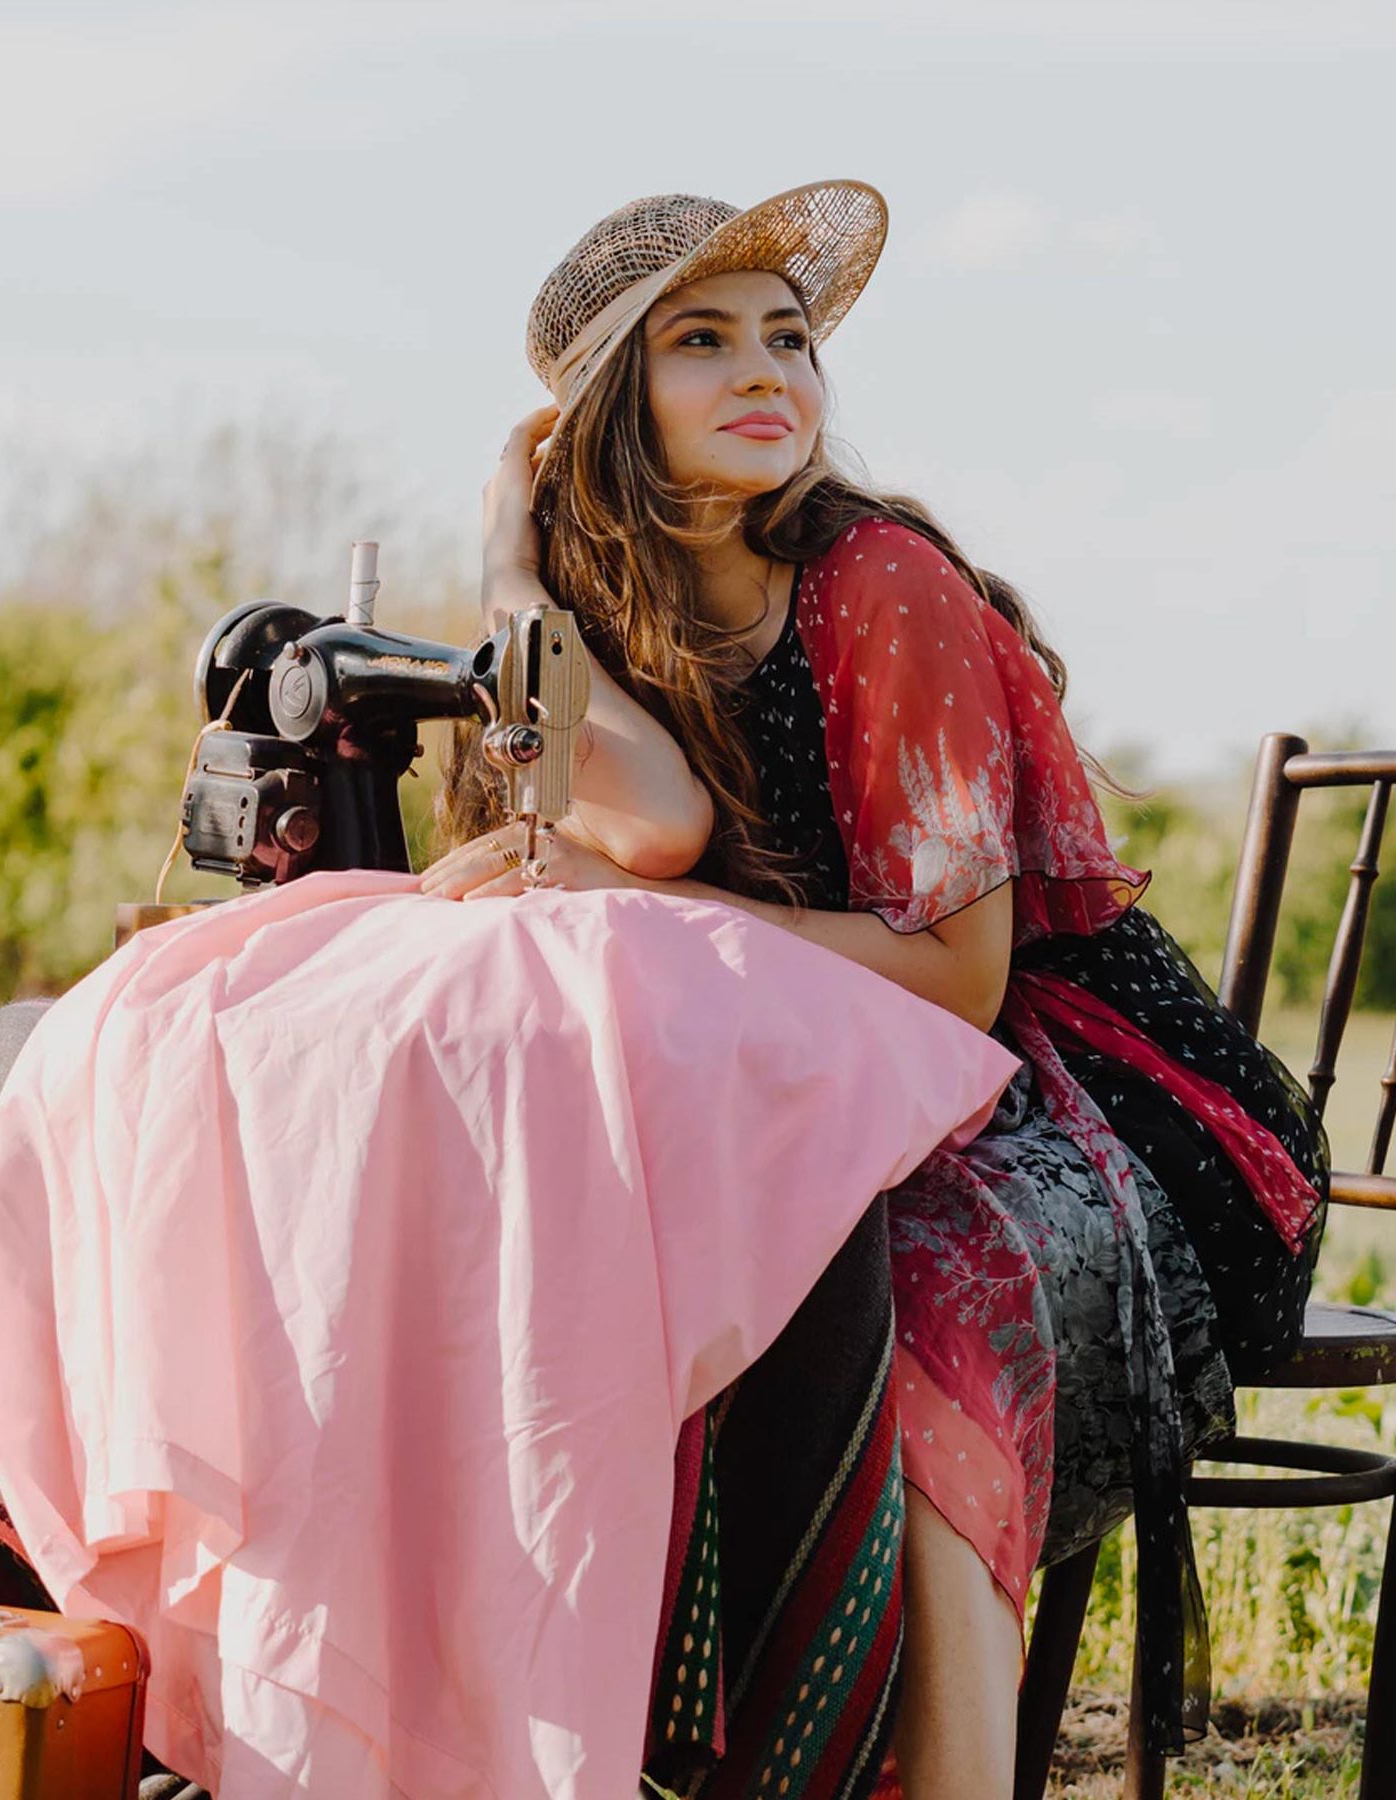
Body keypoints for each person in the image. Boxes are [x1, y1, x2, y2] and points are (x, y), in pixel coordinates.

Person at [421, 181, 1329, 1797]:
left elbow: (956, 982)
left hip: (1084, 1101)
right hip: (823, 1096)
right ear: (609, 410)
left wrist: (662, 908)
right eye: (703, 342)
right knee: (560, 1255)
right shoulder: (601, 629)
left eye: (789, 339)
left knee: (891, 1295)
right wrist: (512, 579)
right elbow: (643, 824)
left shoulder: (878, 580)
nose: (769, 372)